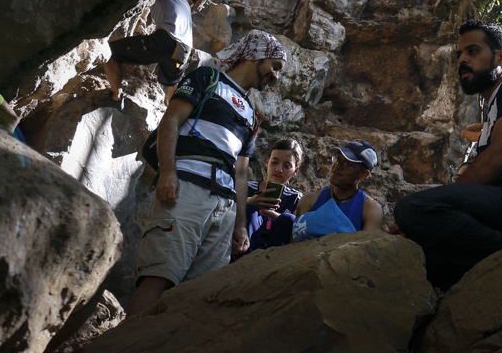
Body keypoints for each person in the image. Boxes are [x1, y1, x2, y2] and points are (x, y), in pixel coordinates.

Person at [393, 19, 502, 290]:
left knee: (414, 208)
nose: (463, 60)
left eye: (473, 51)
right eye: (459, 55)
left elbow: (498, 159)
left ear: (501, 56)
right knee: (423, 260)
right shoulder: (495, 108)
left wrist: (443, 201)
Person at [127, 30, 287, 317]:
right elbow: (171, 121)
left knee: (197, 295)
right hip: (186, 189)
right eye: (274, 66)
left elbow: (241, 171)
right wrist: (167, 174)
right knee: (160, 276)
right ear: (254, 56)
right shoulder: (206, 78)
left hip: (224, 208)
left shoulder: (252, 114)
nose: (276, 76)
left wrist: (239, 224)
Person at [104, 0, 208, 103]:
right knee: (173, 83)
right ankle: (172, 115)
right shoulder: (183, 3)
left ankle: (115, 98)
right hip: (183, 53)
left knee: (108, 52)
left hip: (166, 41)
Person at [236, 137, 305, 257]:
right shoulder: (246, 188)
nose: (279, 169)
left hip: (276, 254)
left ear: (296, 170)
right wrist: (250, 202)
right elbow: (225, 208)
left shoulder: (295, 198)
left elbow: (298, 229)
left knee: (289, 219)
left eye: (287, 166)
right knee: (248, 209)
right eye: (274, 162)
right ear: (267, 162)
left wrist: (270, 213)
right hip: (243, 249)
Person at [296, 140, 384, 233]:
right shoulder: (309, 200)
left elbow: (367, 246)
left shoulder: (370, 209)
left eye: (347, 164)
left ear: (363, 174)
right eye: (337, 159)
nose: (337, 166)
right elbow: (295, 243)